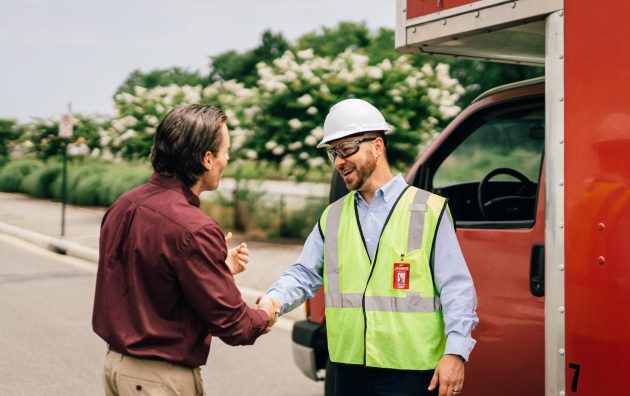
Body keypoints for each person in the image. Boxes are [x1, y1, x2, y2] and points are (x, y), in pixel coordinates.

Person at [260, 99, 478, 396]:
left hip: (412, 372)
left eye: (347, 148)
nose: (338, 161)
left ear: (377, 146)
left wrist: (456, 352)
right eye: (333, 152)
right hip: (349, 369)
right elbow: (303, 273)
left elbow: (457, 288)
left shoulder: (428, 210)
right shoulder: (333, 216)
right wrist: (273, 300)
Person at [92, 104, 278, 396]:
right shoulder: (194, 228)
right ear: (207, 159)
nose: (227, 159)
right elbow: (233, 324)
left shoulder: (123, 205)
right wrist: (266, 313)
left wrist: (218, 269)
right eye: (225, 150)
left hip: (115, 369)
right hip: (158, 380)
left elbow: (149, 281)